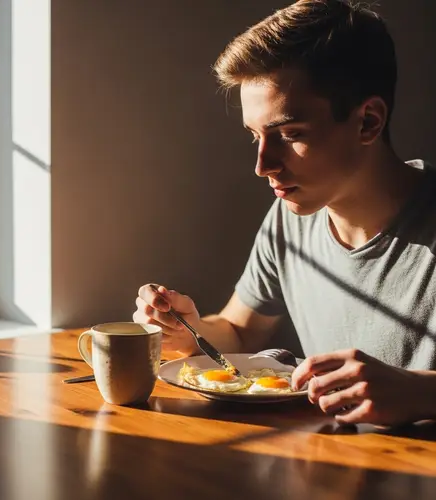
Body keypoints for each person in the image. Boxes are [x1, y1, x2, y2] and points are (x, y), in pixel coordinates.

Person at [133, 0, 436, 425]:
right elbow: (240, 331)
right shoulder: (289, 218)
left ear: (368, 122)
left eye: (290, 134)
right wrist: (189, 332)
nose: (263, 165)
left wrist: (424, 392)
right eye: (254, 135)